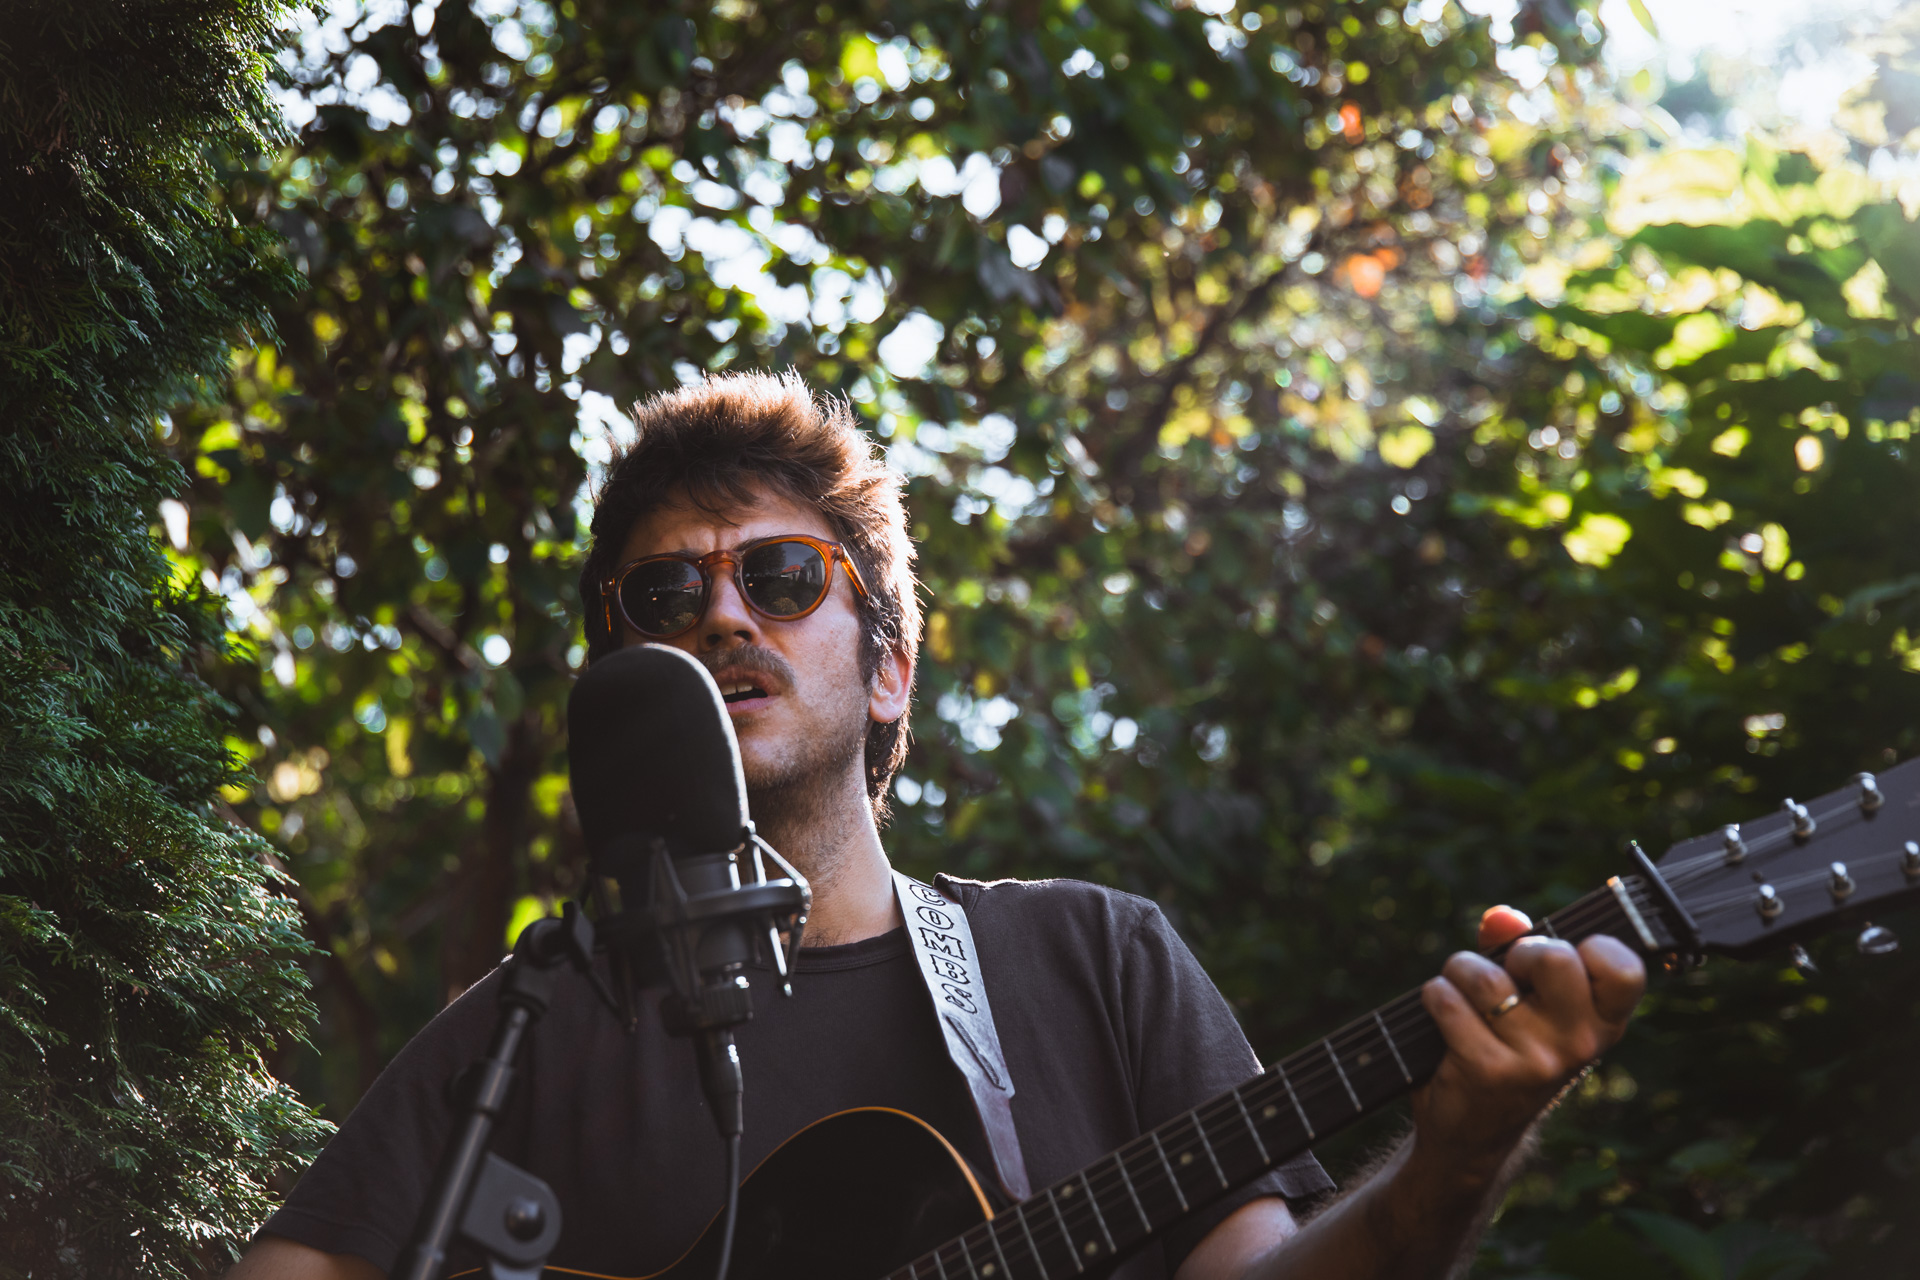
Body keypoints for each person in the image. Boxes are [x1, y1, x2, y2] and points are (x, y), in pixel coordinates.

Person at [230, 372, 1644, 1280]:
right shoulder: (539, 1021)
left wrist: (1457, 1154)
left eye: (783, 576)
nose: (723, 614)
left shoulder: (1095, 962)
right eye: (665, 601)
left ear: (889, 661)